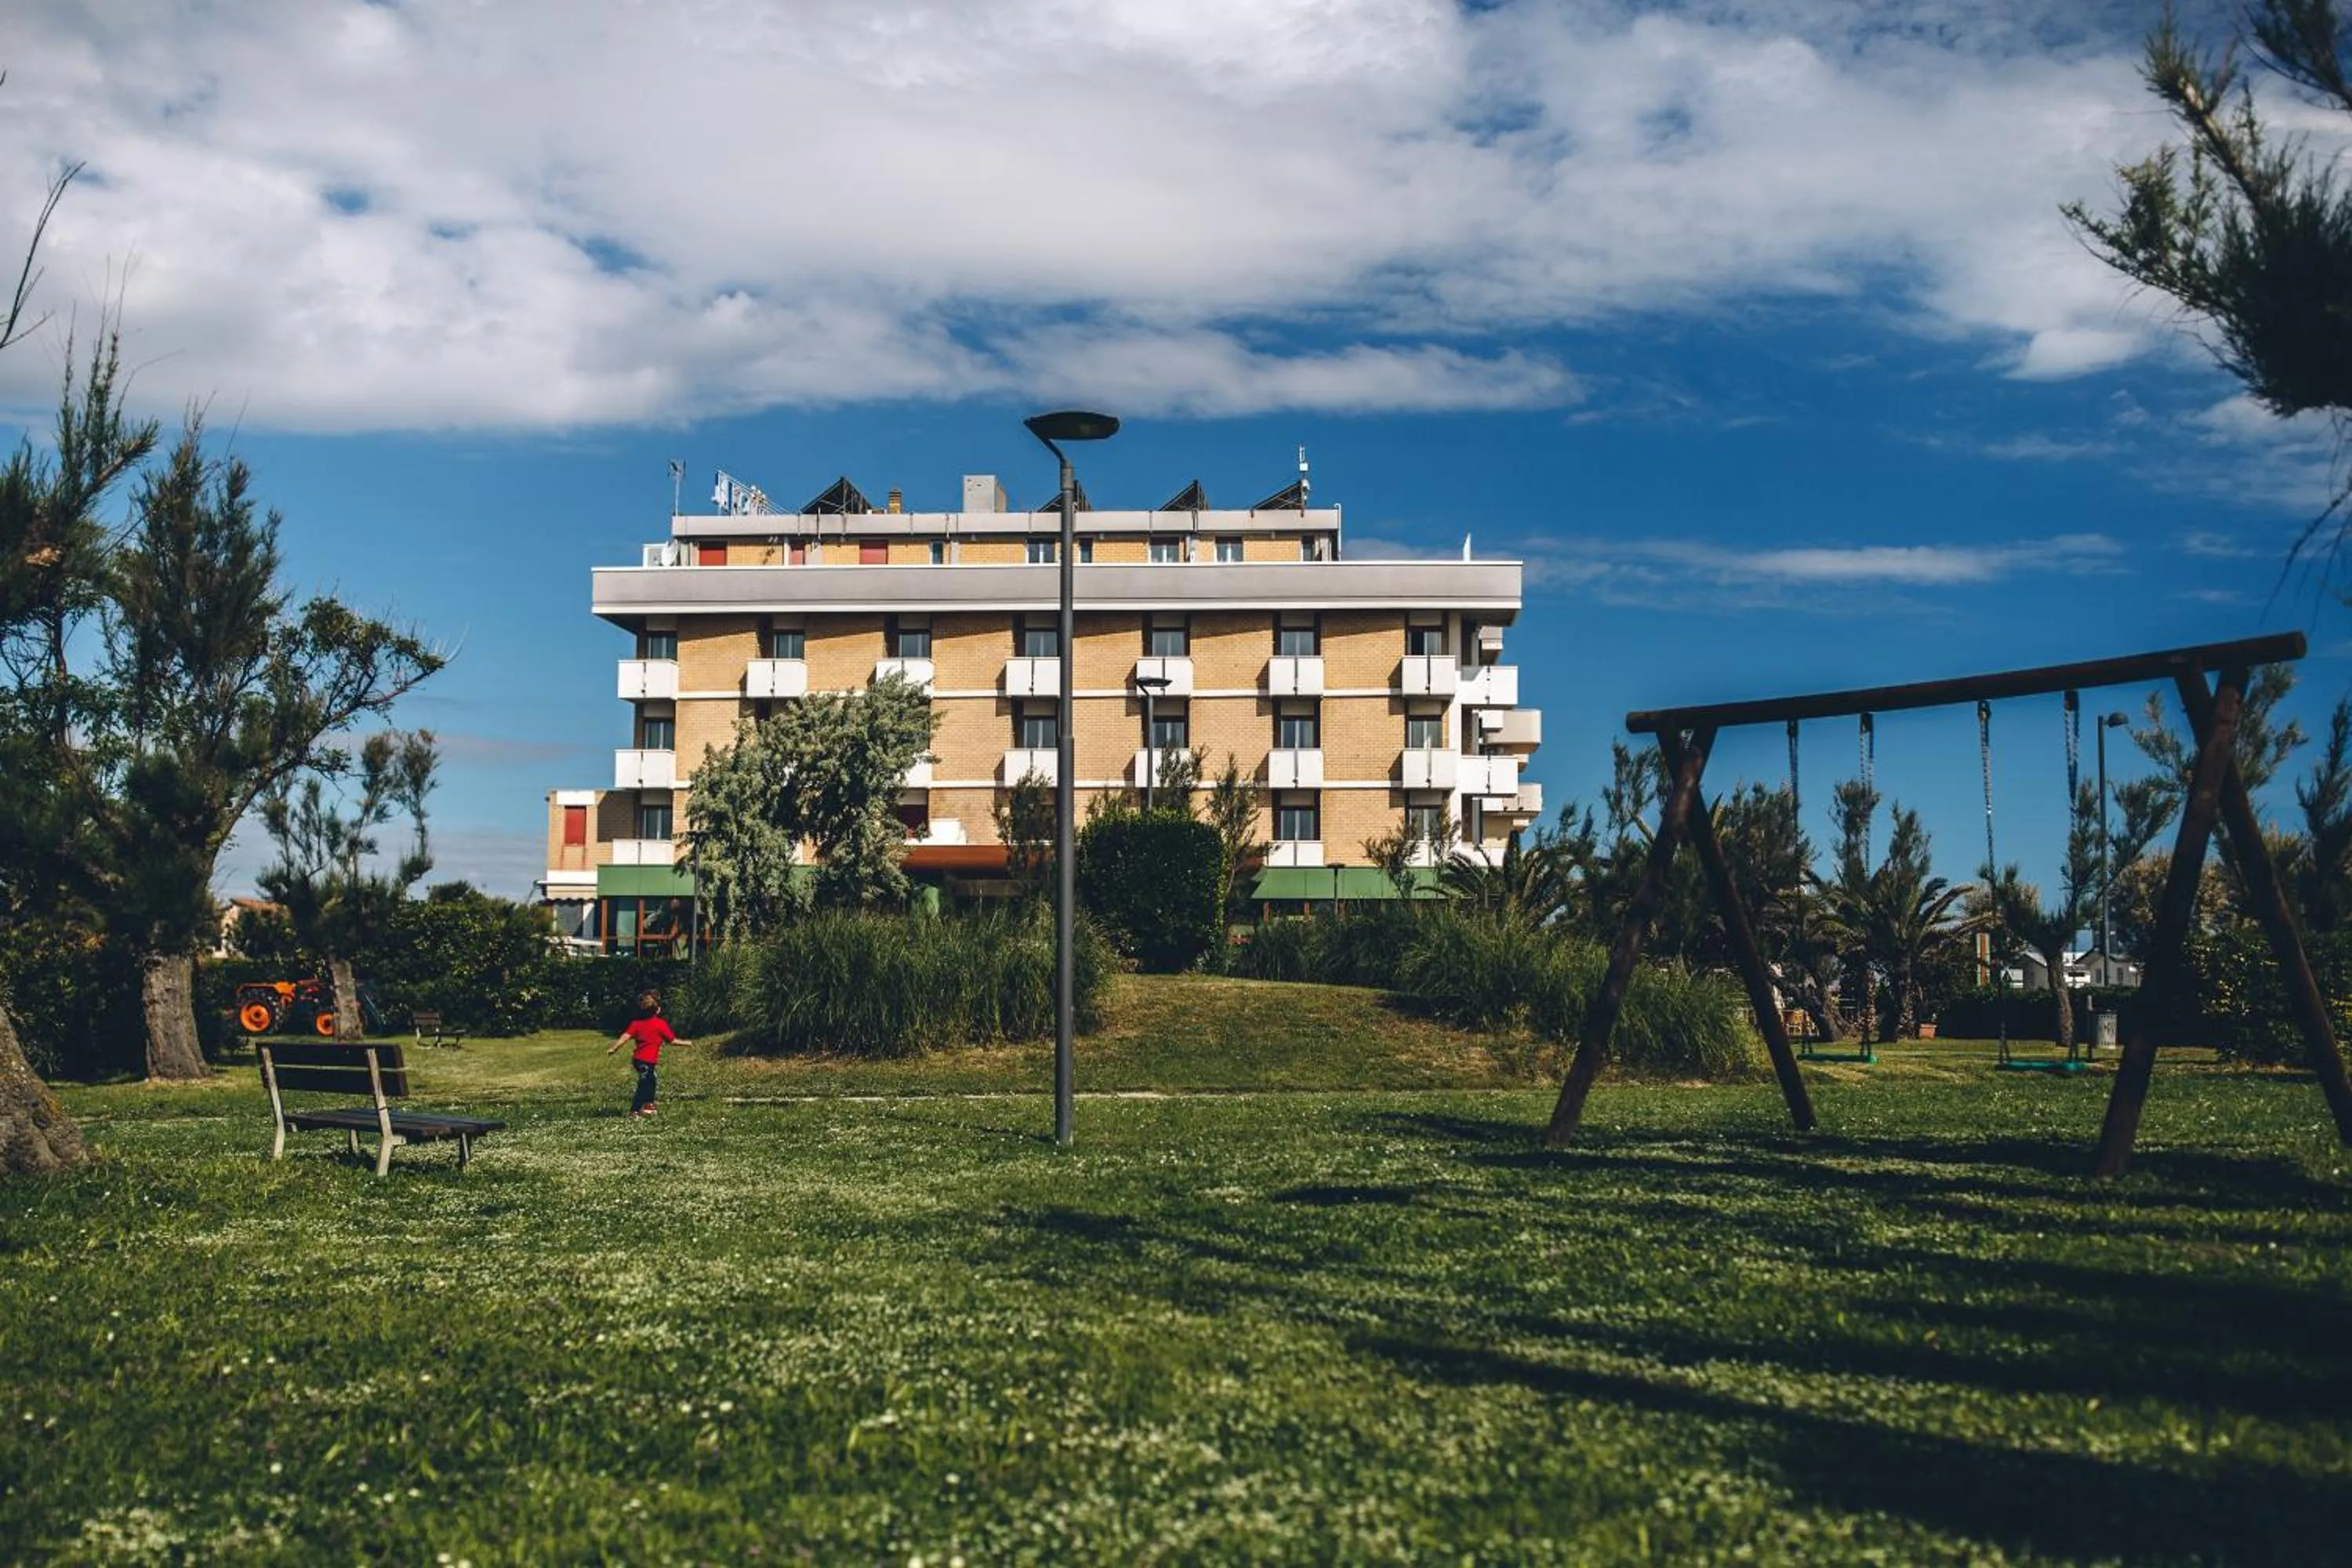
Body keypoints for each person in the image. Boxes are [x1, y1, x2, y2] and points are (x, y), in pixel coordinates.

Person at [604, 990, 689, 1118]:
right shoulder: (660, 1024)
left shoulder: (636, 1024)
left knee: (652, 1080)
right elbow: (672, 1040)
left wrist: (614, 1048)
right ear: (658, 1010)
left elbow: (625, 1036)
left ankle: (648, 1105)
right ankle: (635, 1111)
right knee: (644, 1085)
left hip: (640, 1060)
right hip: (645, 1062)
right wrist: (687, 1043)